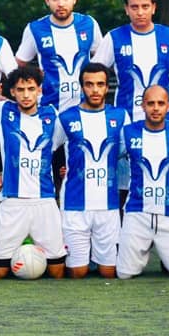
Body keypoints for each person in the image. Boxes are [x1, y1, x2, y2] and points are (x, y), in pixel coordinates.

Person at [0, 65, 67, 279]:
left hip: (44, 201)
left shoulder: (52, 115)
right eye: (20, 89)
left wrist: (66, 167)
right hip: (12, 202)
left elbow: (64, 144)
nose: (26, 95)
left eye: (31, 89)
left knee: (57, 271)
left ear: (39, 90)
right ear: (12, 91)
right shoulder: (2, 111)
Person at [115, 85, 169, 280]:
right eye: (151, 103)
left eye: (160, 103)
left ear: (168, 106)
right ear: (142, 105)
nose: (156, 108)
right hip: (137, 213)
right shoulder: (128, 133)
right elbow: (108, 158)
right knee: (124, 274)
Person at [58, 63, 128, 278]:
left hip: (108, 205)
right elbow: (47, 148)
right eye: (89, 85)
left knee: (109, 272)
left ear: (107, 87)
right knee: (77, 272)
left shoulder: (120, 116)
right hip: (74, 204)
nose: (95, 90)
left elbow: (127, 151)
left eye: (100, 84)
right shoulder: (66, 117)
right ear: (82, 87)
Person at [92, 0, 169, 121]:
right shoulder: (114, 37)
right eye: (134, 7)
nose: (140, 12)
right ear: (126, 9)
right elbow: (94, 73)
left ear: (153, 8)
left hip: (165, 120)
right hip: (127, 119)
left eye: (145, 6)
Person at [15, 0, 103, 113]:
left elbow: (101, 61)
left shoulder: (89, 24)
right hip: (49, 110)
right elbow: (19, 64)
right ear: (47, 1)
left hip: (85, 109)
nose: (61, 3)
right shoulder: (35, 29)